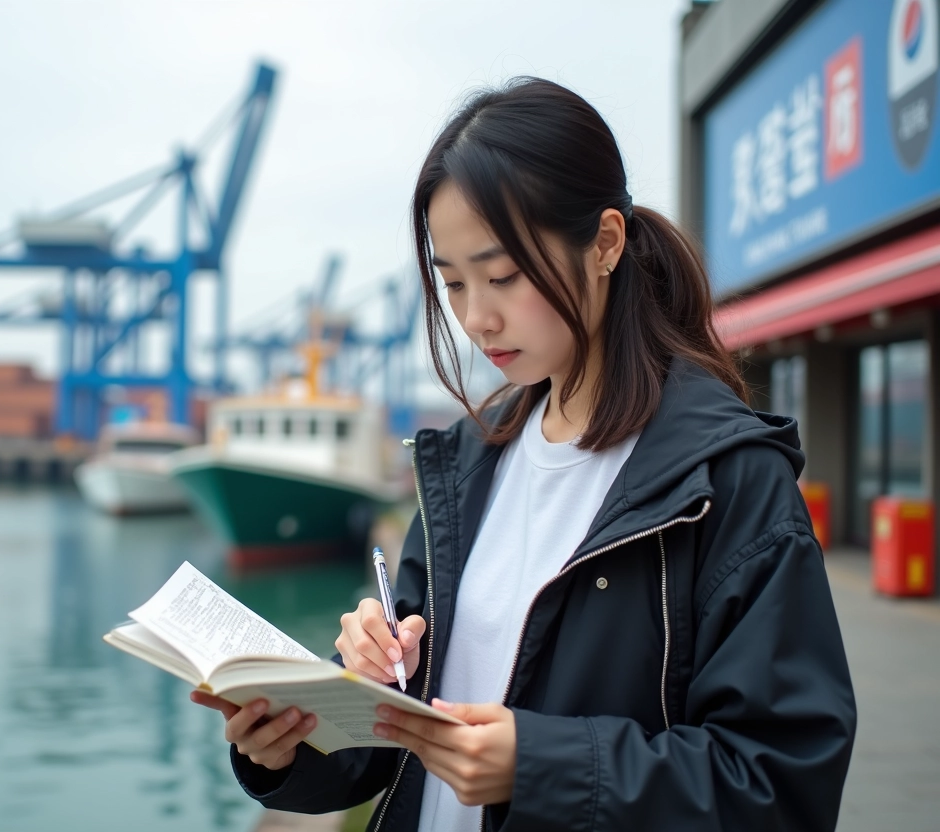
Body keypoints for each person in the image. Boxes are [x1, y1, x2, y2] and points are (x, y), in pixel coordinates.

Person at [191, 77, 856, 831]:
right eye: (453, 283)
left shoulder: (729, 479)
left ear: (605, 244)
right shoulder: (467, 463)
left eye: (503, 275)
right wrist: (302, 738)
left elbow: (782, 784)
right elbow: (397, 741)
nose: (477, 317)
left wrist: (542, 767)